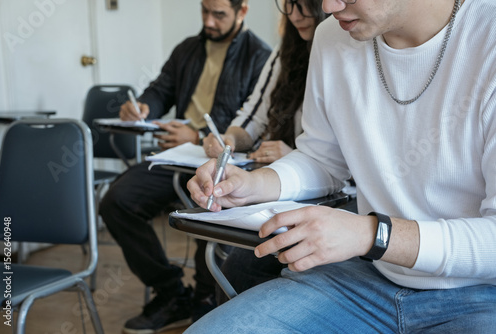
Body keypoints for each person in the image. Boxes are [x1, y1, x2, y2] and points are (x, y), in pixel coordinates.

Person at [186, 0, 496, 332]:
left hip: (479, 291)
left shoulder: (485, 35)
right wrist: (255, 183)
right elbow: (321, 158)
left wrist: (370, 234)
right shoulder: (333, 36)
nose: (328, 5)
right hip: (368, 276)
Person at [98, 0, 271, 333]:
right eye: (205, 11)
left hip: (223, 165)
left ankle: (205, 299)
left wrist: (198, 135)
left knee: (211, 212)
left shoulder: (260, 57)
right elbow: (161, 89)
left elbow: (252, 124)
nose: (209, 20)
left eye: (219, 14)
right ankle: (171, 292)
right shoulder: (188, 49)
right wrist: (144, 107)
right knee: (116, 202)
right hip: (176, 157)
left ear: (242, 11)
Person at [202, 0, 329, 304]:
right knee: (225, 248)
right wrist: (228, 139)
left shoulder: (346, 49)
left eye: (306, 7)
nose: (296, 16)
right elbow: (253, 119)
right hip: (285, 191)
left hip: (329, 199)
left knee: (241, 263)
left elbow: (334, 158)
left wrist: (295, 153)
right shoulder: (283, 54)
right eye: (289, 6)